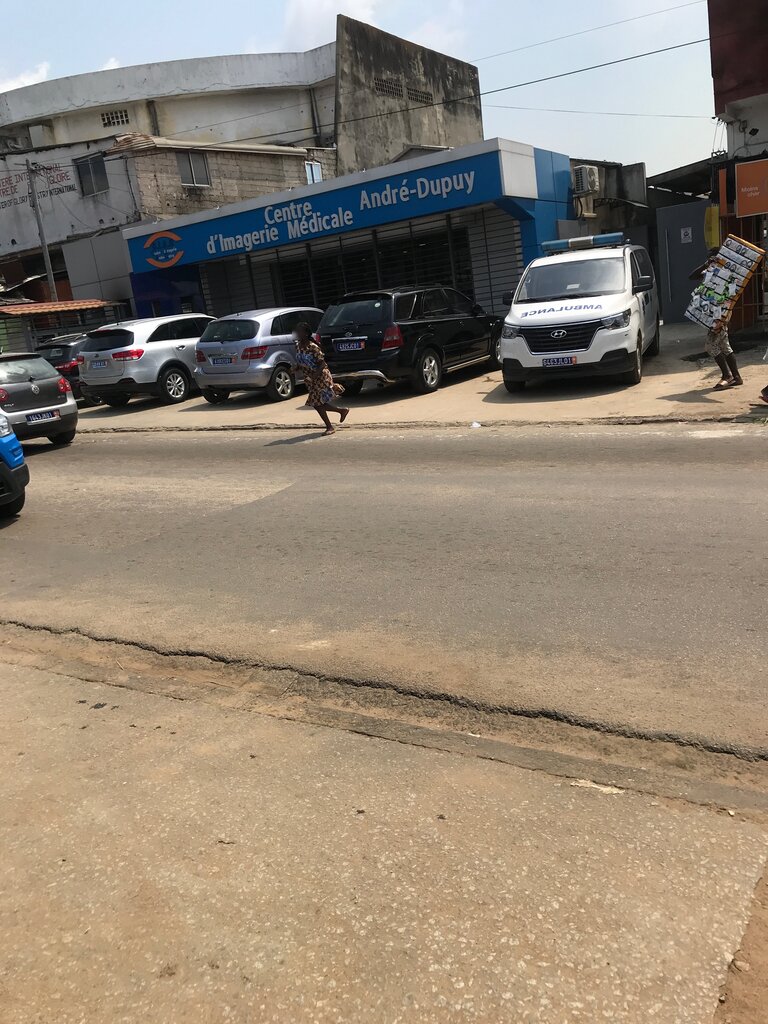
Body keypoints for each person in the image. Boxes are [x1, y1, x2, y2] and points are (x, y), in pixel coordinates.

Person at [293, 322, 349, 435]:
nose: (297, 333)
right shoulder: (298, 346)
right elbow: (302, 362)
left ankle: (330, 426)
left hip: (320, 377)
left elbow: (322, 364)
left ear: (306, 333)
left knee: (317, 403)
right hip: (310, 379)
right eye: (297, 331)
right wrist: (295, 368)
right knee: (318, 403)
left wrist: (313, 377)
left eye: (300, 331)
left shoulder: (313, 347)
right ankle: (341, 411)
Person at [706, 319, 743, 390]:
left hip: (718, 321)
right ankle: (736, 377)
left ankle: (727, 376)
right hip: (719, 320)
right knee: (725, 347)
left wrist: (720, 321)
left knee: (710, 347)